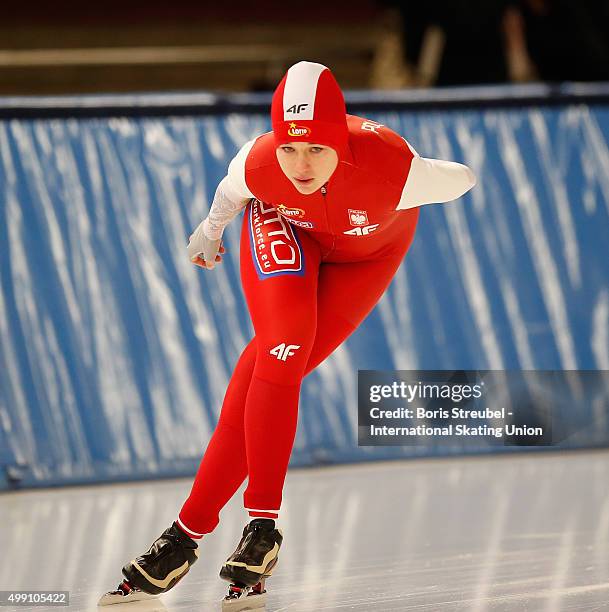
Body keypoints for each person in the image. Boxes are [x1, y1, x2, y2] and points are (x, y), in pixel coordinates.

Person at [99, 61, 476, 608]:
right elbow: (229, 196)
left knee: (265, 370)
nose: (301, 166)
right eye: (289, 149)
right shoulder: (257, 162)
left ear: (339, 141)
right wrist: (209, 233)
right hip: (288, 231)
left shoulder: (396, 168)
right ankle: (262, 527)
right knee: (284, 345)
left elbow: (462, 177)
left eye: (316, 150)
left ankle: (184, 535)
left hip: (367, 257)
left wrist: (426, 176)